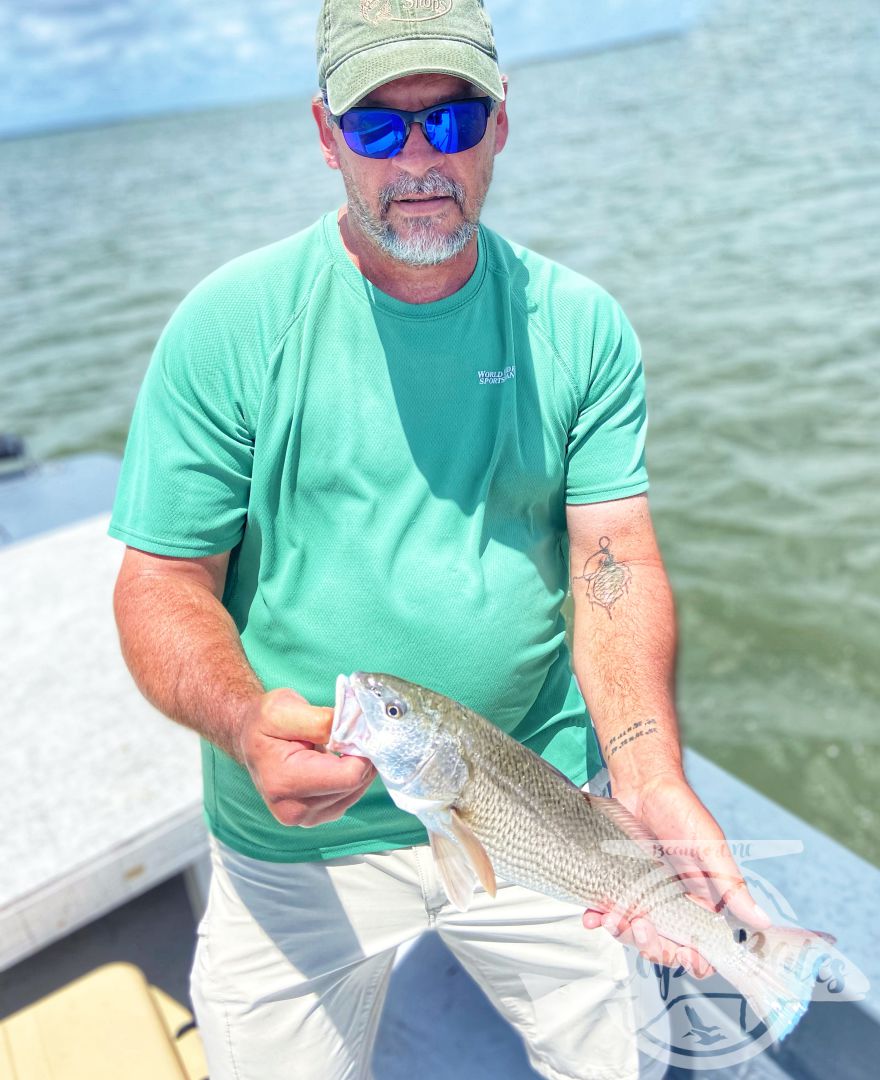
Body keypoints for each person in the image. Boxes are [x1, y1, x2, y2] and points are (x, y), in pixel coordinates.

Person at [110, 1, 769, 1077]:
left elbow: (610, 564)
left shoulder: (580, 324)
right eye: (378, 129)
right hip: (298, 834)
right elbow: (161, 580)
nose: (418, 159)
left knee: (616, 1060)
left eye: (451, 121)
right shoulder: (227, 327)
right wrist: (242, 723)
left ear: (500, 125)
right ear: (327, 136)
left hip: (539, 798)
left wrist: (644, 772)